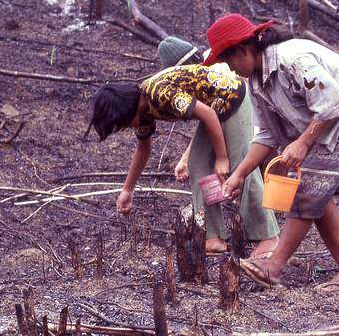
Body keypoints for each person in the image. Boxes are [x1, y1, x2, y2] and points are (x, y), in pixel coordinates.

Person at [208, 14, 339, 291]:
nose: (230, 70)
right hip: (335, 116)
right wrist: (239, 174)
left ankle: (274, 266)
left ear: (243, 50)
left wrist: (304, 142)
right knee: (315, 189)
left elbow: (332, 102)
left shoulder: (291, 60)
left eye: (228, 61)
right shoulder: (257, 84)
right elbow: (267, 135)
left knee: (308, 187)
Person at [88, 41, 280, 258]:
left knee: (240, 165)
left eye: (124, 123)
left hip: (233, 97)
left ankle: (268, 237)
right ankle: (214, 236)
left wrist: (221, 158)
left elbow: (206, 114)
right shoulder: (143, 111)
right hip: (215, 109)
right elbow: (143, 150)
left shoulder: (159, 93)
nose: (128, 128)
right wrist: (127, 190)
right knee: (198, 166)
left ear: (128, 109)